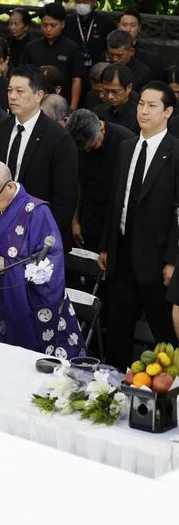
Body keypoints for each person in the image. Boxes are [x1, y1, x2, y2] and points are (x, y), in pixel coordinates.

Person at [0, 160, 86, 359]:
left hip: (23, 305)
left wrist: (6, 267)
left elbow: (50, 261)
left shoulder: (36, 212)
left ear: (9, 186)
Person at [99, 82, 179, 368]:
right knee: (118, 327)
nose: (143, 111)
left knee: (163, 334)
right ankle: (115, 384)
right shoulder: (126, 147)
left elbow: (178, 213)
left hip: (157, 260)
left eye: (151, 106)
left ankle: (167, 396)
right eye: (141, 103)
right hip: (121, 253)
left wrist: (172, 260)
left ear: (168, 111)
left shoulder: (175, 152)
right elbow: (116, 199)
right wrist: (107, 247)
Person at [0, 65, 79, 249]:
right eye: (10, 90)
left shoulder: (58, 138)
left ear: (39, 95)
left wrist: (48, 238)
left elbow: (65, 198)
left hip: (38, 232)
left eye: (20, 91)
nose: (12, 96)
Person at [65, 109, 135, 251]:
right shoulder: (75, 143)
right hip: (88, 217)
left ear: (101, 128)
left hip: (115, 220)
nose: (88, 151)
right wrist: (75, 221)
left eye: (91, 146)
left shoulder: (126, 142)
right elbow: (77, 184)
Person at [19, 2, 87, 107]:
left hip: (62, 103)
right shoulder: (31, 48)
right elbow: (23, 76)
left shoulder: (72, 48)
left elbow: (76, 79)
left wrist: (72, 108)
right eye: (45, 25)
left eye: (53, 25)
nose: (48, 29)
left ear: (62, 24)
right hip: (34, 103)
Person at [62, 0, 116, 69]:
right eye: (78, 2)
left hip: (98, 71)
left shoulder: (105, 23)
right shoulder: (67, 22)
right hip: (72, 70)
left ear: (94, 1)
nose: (81, 5)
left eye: (85, 2)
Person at [118, 10, 166, 82]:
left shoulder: (151, 60)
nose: (128, 29)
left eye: (133, 25)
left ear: (139, 28)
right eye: (124, 25)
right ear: (118, 26)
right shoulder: (107, 54)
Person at [94, 64, 139, 132]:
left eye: (115, 91)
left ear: (129, 87)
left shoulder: (138, 116)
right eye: (106, 90)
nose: (110, 97)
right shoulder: (98, 111)